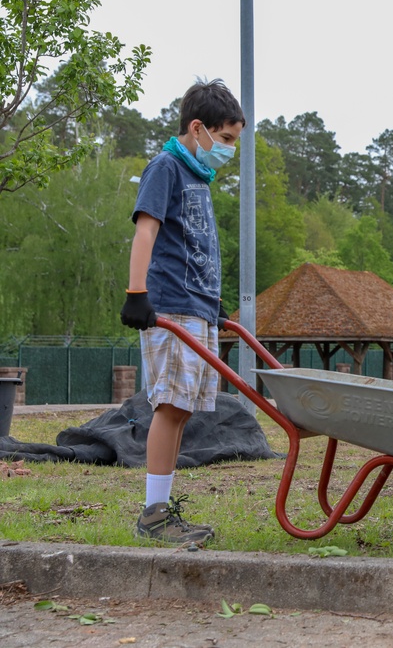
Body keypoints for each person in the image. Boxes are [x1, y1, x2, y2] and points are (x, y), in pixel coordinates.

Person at [120, 79, 245, 546]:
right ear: (199, 129)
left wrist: (215, 304)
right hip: (169, 304)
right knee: (170, 406)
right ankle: (153, 513)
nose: (229, 151)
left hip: (198, 308)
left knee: (183, 410)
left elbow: (194, 245)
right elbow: (147, 234)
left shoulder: (198, 177)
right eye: (226, 140)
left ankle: (161, 508)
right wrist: (137, 292)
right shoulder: (167, 167)